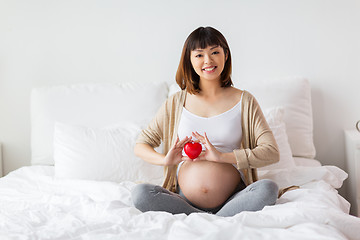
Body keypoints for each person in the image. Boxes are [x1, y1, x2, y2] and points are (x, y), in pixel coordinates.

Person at [131, 26, 279, 217]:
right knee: (141, 194)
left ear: (225, 55)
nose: (208, 60)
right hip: (183, 200)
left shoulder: (244, 100)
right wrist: (165, 159)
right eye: (199, 55)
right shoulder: (177, 102)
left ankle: (202, 219)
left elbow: (271, 152)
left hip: (234, 197)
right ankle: (214, 219)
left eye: (215, 52)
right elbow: (141, 145)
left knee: (268, 188)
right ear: (189, 60)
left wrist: (221, 157)